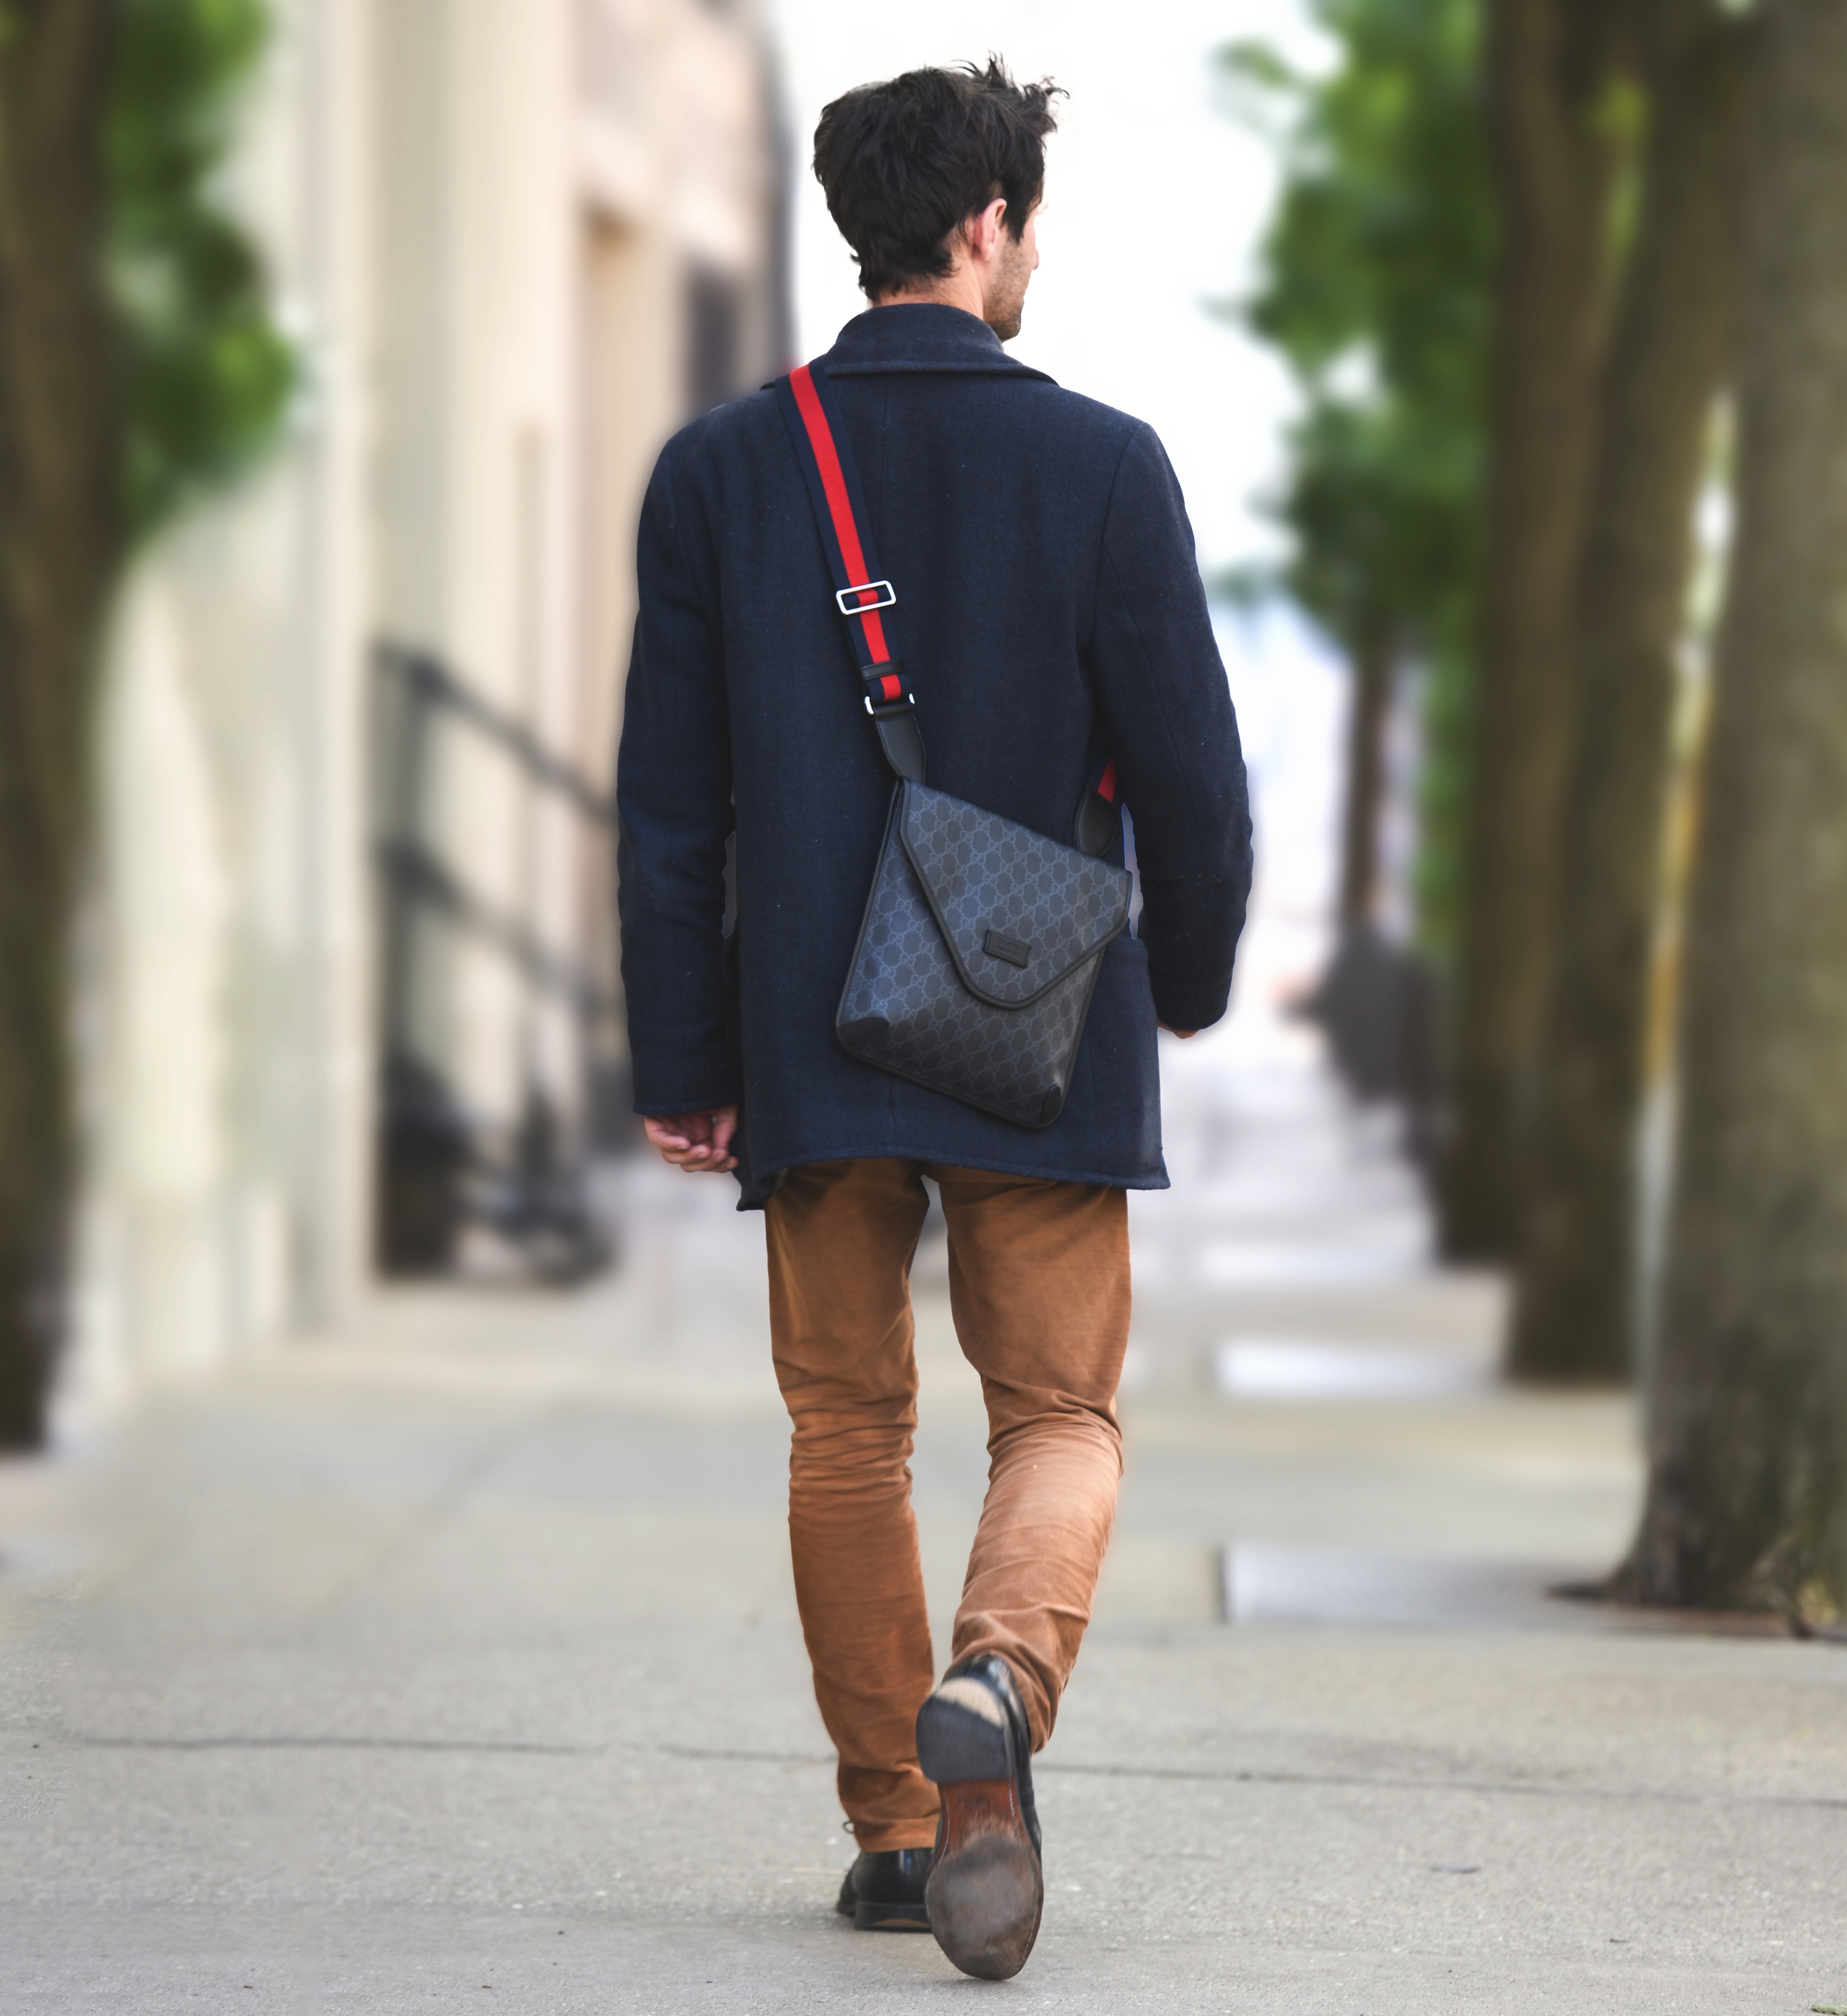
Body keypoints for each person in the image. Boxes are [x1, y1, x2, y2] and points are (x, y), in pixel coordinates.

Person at [616, 58, 1252, 1981]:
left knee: (846, 1427)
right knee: (1058, 1409)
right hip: (1037, 1020)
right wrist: (1192, 984)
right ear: (986, 225)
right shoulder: (1106, 465)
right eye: (1028, 221)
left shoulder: (723, 470)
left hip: (811, 1036)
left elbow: (670, 804)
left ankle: (900, 1832)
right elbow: (1195, 783)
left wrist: (685, 1064)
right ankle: (996, 1679)